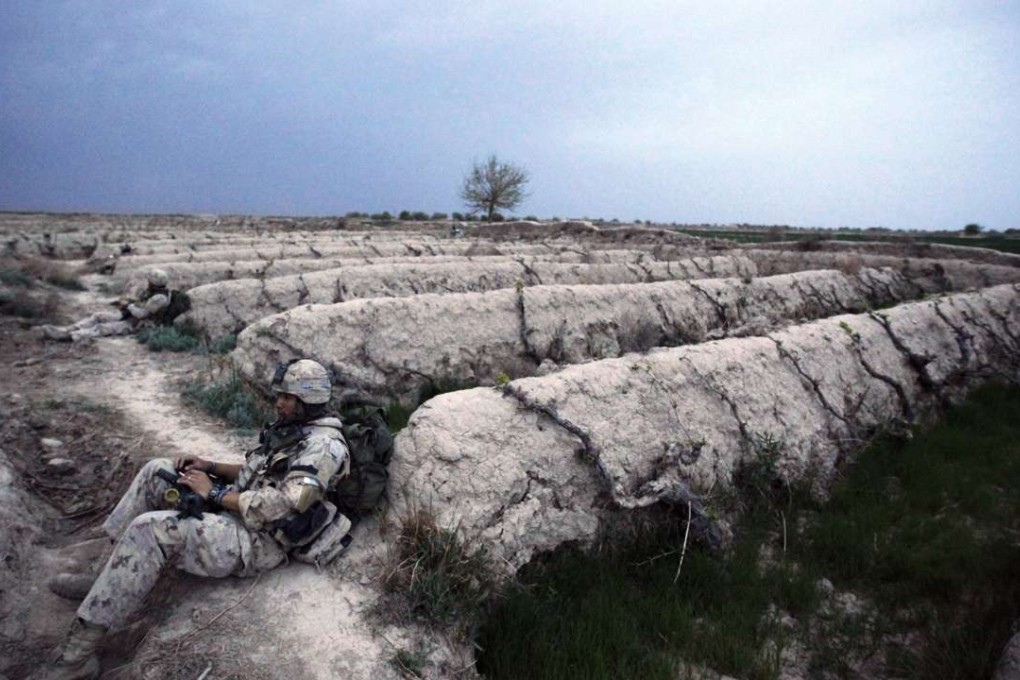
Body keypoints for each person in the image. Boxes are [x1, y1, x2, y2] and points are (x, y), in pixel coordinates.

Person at [36, 359, 350, 680]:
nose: (278, 402)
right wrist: (209, 466)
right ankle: (102, 577)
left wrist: (213, 494)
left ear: (306, 400)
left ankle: (75, 660)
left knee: (150, 530)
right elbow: (258, 472)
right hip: (239, 507)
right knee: (156, 471)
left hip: (260, 539)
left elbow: (285, 505)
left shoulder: (323, 448)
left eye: (286, 397)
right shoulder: (294, 430)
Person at [38, 269, 173, 342]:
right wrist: (129, 304)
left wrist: (129, 306)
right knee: (99, 316)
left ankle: (69, 337)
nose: (148, 282)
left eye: (150, 280)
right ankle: (67, 329)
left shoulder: (159, 297)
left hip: (138, 324)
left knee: (102, 327)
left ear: (154, 281)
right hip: (130, 317)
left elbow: (142, 314)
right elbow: (141, 305)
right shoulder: (152, 293)